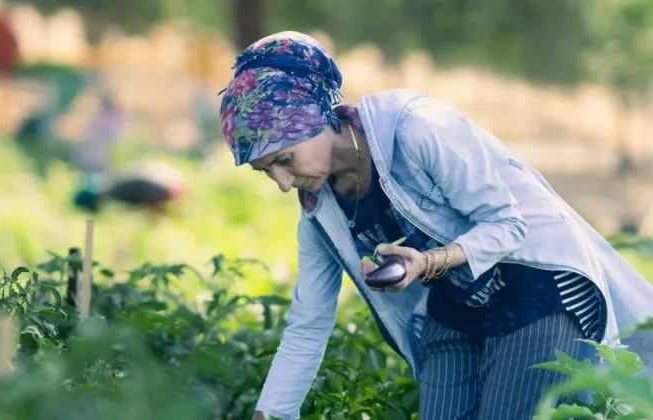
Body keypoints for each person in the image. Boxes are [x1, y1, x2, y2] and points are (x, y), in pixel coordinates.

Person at [218, 31, 653, 420]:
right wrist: (271, 413)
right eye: (266, 171)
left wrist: (425, 262)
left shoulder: (415, 127)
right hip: (457, 308)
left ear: (315, 119)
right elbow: (309, 321)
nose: (282, 183)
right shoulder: (319, 209)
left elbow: (507, 223)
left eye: (283, 160)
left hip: (534, 290)